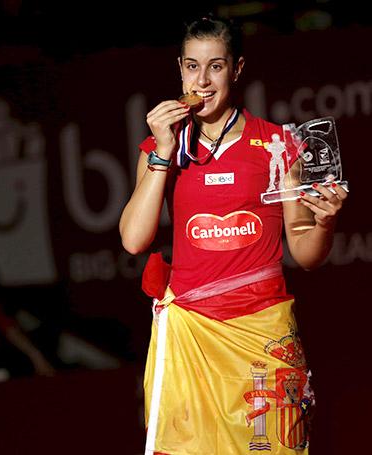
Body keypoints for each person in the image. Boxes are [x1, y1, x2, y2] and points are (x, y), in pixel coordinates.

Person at [119, 16, 347, 455]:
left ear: (237, 69)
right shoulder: (161, 146)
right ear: (179, 68)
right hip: (191, 336)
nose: (201, 81)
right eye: (191, 66)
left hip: (260, 333)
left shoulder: (278, 144)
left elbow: (306, 253)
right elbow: (133, 239)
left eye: (216, 67)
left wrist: (324, 221)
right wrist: (163, 152)